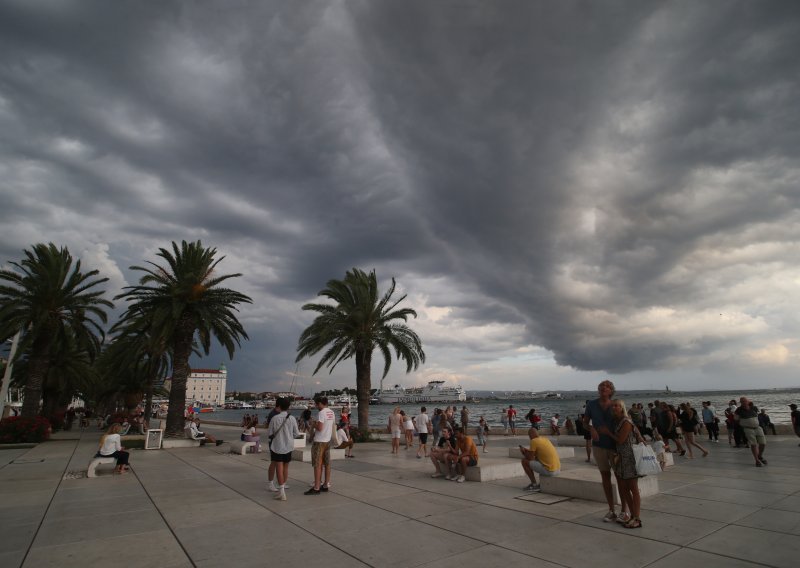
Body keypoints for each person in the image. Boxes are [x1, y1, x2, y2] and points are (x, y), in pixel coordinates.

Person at [599, 400, 643, 529]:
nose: (614, 407)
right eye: (612, 405)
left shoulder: (625, 421)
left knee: (633, 488)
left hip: (629, 457)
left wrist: (607, 433)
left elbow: (621, 440)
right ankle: (632, 515)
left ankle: (637, 518)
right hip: (621, 458)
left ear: (622, 407)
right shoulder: (617, 421)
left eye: (617, 405)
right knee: (623, 488)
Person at [583, 379, 620, 522]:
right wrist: (591, 428)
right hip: (599, 446)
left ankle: (625, 510)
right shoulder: (591, 405)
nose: (603, 388)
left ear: (611, 390)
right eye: (601, 386)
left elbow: (624, 421)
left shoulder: (615, 405)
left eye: (606, 386)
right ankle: (611, 509)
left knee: (621, 478)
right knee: (605, 477)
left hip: (615, 446)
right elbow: (585, 423)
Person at [267, 398, 300, 500]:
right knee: (286, 467)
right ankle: (283, 486)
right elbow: (296, 433)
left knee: (279, 467)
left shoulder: (274, 418)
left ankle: (282, 492)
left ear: (279, 406)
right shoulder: (292, 418)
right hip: (288, 446)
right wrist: (289, 437)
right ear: (288, 406)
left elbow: (270, 434)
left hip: (277, 446)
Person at [305, 396, 336, 495]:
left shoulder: (321, 413)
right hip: (327, 441)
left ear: (320, 403)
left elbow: (320, 428)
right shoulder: (331, 412)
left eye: (316, 404)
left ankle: (317, 487)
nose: (316, 406)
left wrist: (313, 424)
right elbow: (331, 426)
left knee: (317, 465)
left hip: (319, 442)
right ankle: (326, 485)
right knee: (327, 464)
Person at [519, 428, 560, 492]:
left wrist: (523, 452)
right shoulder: (545, 439)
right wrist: (527, 450)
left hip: (550, 471)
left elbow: (530, 458)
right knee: (537, 459)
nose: (529, 438)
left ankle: (534, 484)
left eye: (529, 435)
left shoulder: (534, 441)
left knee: (524, 461)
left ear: (531, 435)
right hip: (557, 469)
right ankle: (536, 484)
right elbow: (534, 455)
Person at [735, 397, 767, 467]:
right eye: (742, 401)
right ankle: (757, 460)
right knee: (754, 444)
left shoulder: (754, 408)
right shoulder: (738, 410)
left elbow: (757, 416)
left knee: (763, 443)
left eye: (745, 401)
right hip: (748, 429)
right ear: (740, 402)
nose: (744, 403)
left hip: (757, 427)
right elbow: (736, 419)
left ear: (748, 401)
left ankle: (760, 456)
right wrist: (743, 424)